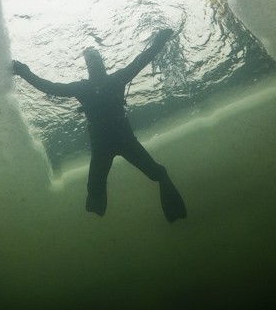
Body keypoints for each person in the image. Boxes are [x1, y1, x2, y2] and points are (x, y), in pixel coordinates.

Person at [12, 28, 187, 223]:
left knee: (157, 173)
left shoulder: (113, 79)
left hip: (122, 141)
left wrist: (160, 40)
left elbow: (144, 57)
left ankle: (169, 199)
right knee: (94, 189)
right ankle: (95, 220)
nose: (93, 61)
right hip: (108, 145)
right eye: (90, 59)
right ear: (87, 65)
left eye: (95, 57)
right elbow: (50, 87)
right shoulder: (86, 86)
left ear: (101, 62)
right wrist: (24, 72)